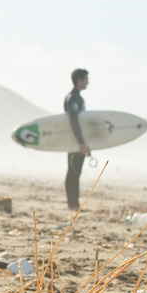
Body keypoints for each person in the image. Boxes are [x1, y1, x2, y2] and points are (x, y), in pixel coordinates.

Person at [64, 68, 90, 211]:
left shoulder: (78, 98)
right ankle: (72, 204)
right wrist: (81, 143)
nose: (88, 82)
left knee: (76, 172)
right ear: (79, 80)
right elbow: (74, 121)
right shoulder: (73, 98)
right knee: (73, 172)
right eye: (86, 79)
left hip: (78, 142)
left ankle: (74, 203)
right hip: (75, 142)